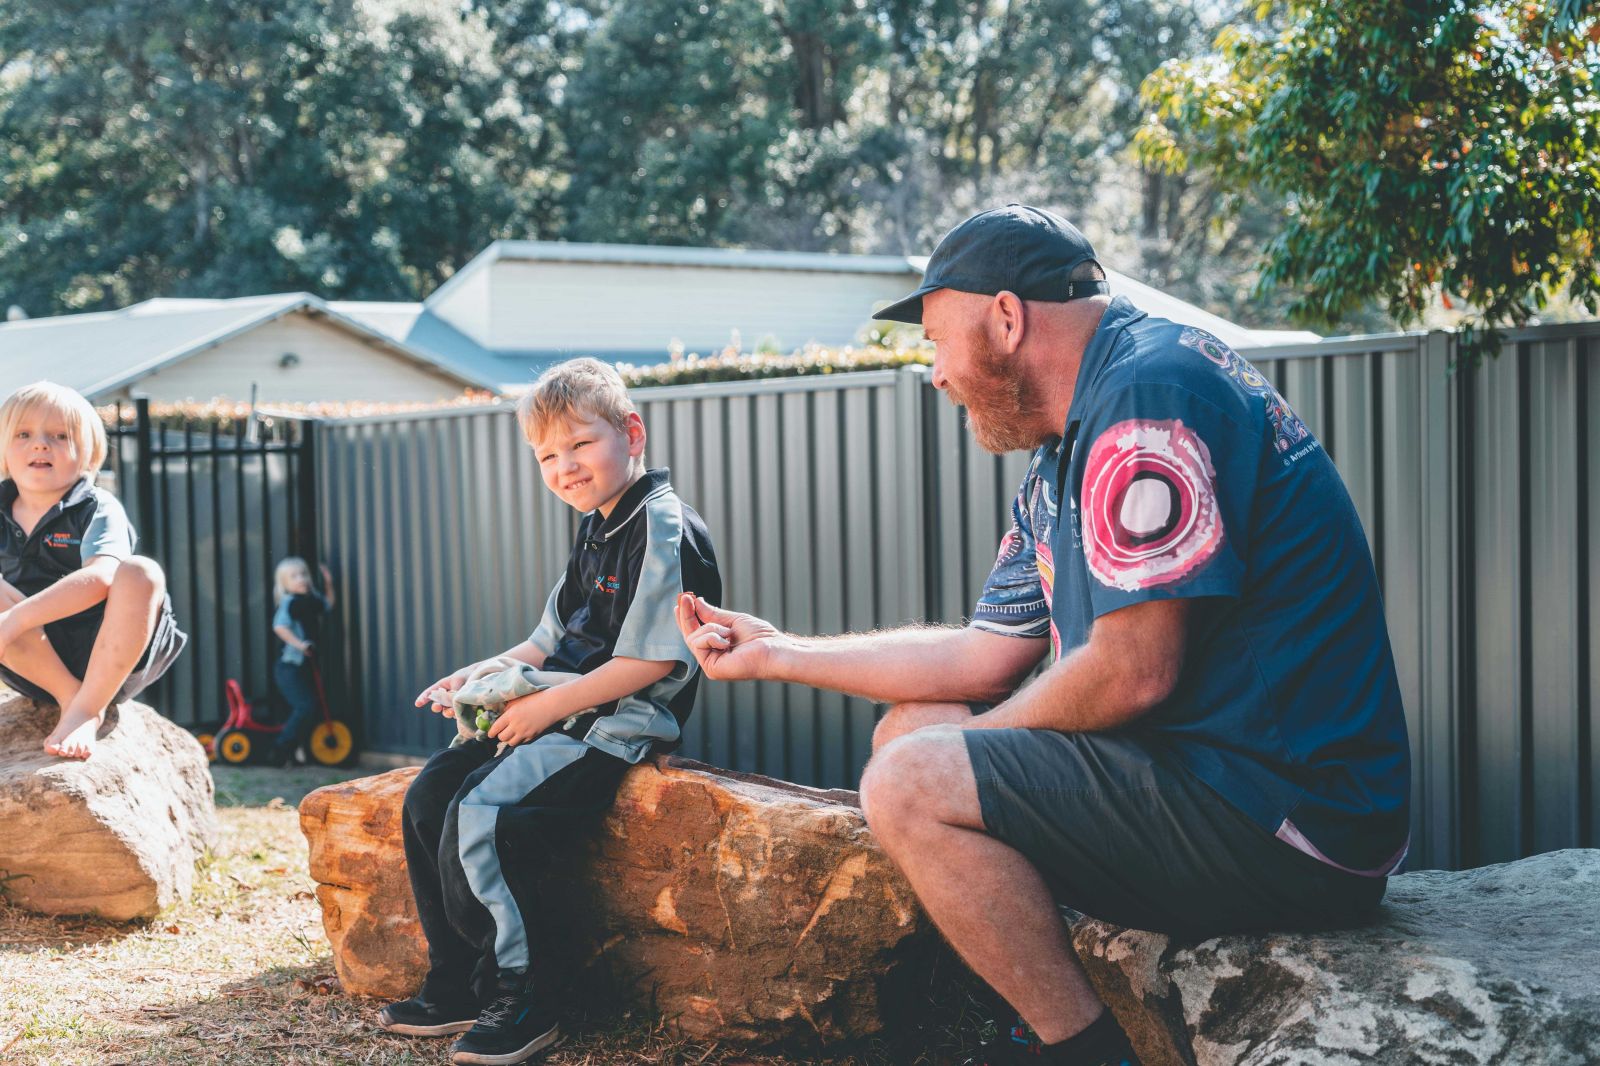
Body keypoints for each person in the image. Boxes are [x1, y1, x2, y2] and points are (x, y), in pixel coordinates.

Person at [674, 205, 1411, 1066]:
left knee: (915, 776)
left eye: (937, 341)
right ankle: (1051, 1020)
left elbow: (1136, 673)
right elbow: (984, 655)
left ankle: (1082, 1053)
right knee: (910, 736)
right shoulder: (1065, 445)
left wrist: (959, 753)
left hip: (1290, 818)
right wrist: (782, 652)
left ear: (1008, 318)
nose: (937, 375)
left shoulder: (1149, 397)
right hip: (1207, 775)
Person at [380, 358, 722, 1066]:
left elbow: (653, 662)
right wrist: (479, 678)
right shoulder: (597, 526)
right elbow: (546, 642)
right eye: (547, 456)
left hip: (612, 725)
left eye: (580, 445)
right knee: (429, 796)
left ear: (632, 433)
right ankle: (458, 982)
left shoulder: (661, 526)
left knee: (485, 817)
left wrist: (546, 707)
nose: (565, 466)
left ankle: (527, 995)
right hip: (557, 709)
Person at [0, 381, 187, 760]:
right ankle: (72, 698)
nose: (40, 444)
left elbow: (101, 578)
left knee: (140, 572)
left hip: (111, 650)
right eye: (24, 434)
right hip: (36, 664)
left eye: (59, 435)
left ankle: (89, 708)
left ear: (88, 454)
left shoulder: (97, 507)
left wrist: (14, 620)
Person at [268, 555, 335, 766]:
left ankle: (296, 752)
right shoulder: (291, 602)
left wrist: (329, 583)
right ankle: (280, 749)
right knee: (305, 706)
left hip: (304, 666)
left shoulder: (311, 601)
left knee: (309, 707)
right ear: (285, 584)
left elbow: (327, 605)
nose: (301, 579)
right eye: (294, 577)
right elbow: (279, 626)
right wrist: (301, 644)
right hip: (289, 666)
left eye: (303, 574)